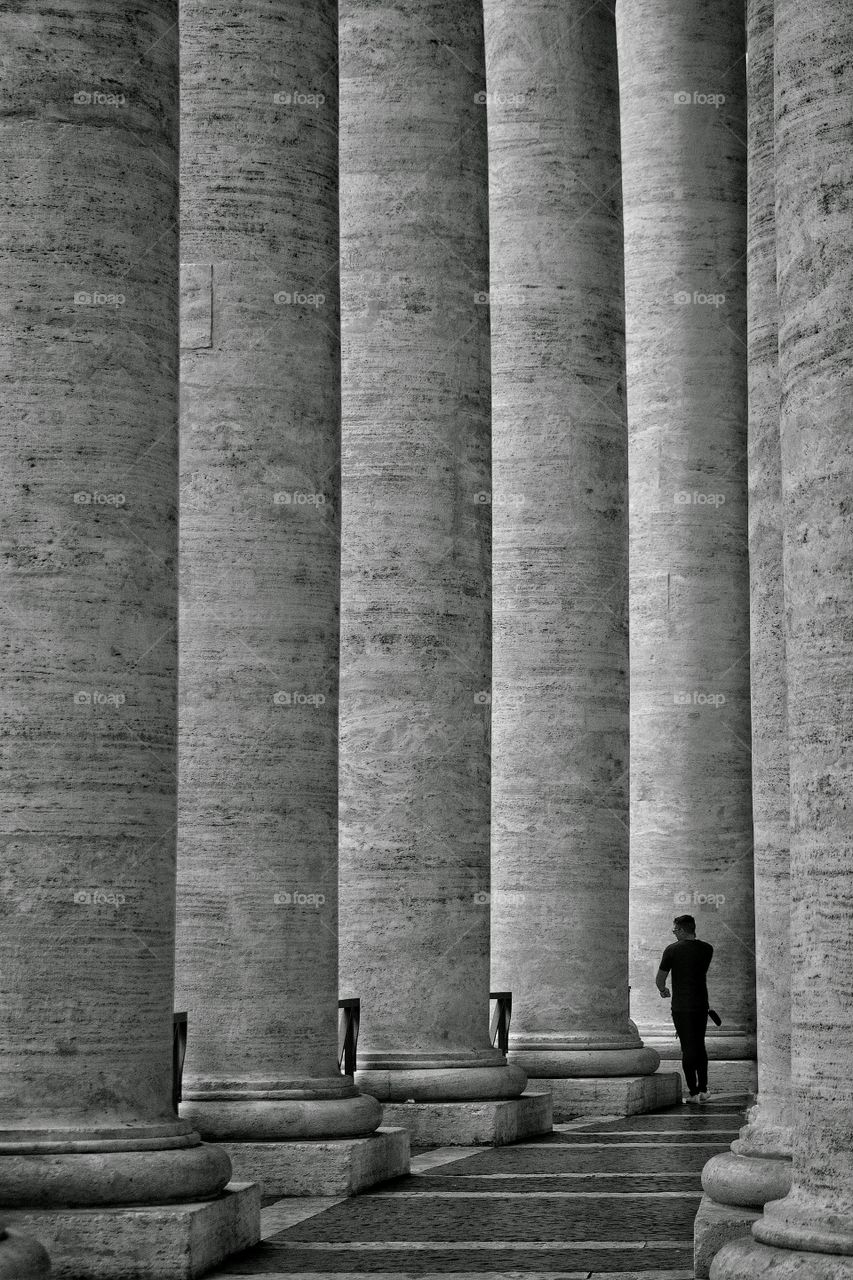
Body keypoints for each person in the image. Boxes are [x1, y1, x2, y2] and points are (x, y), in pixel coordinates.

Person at [656, 914, 714, 1102]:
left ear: (681, 929)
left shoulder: (672, 950)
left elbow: (660, 979)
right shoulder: (707, 949)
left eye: (674, 930)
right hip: (701, 1004)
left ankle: (694, 1093)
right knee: (700, 1045)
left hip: (682, 1006)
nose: (673, 933)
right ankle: (704, 1089)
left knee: (687, 1047)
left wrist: (663, 990)